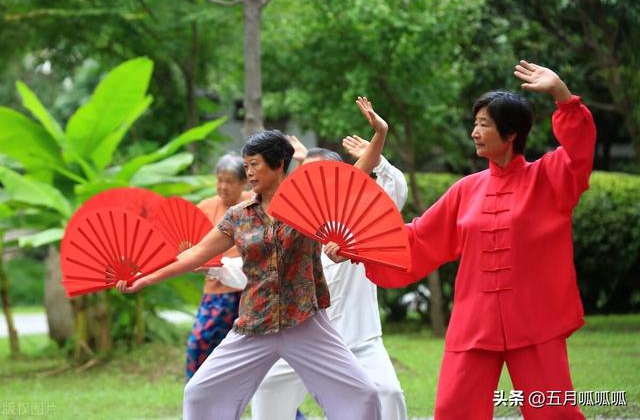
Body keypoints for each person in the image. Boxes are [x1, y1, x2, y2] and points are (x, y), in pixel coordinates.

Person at [343, 61, 596, 419]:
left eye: (484, 124)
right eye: (475, 124)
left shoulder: (550, 178)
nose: (474, 132)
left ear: (510, 134)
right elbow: (418, 239)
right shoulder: (466, 189)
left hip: (536, 320)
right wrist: (358, 245)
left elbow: (580, 150)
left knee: (553, 413)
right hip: (474, 323)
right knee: (454, 411)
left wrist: (562, 95)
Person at [117, 99, 387, 420]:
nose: (248, 172)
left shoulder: (309, 204)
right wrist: (145, 277)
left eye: (254, 164)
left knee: (364, 394)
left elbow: (357, 175)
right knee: (199, 393)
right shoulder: (238, 216)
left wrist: (380, 132)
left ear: (278, 166)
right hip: (255, 325)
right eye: (246, 165)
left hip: (305, 321)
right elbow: (196, 254)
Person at [251, 132, 409, 420]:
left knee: (388, 393)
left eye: (323, 175)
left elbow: (393, 193)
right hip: (307, 341)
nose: (315, 184)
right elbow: (259, 270)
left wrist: (378, 159)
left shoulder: (362, 218)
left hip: (360, 340)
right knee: (267, 387)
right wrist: (218, 266)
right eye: (307, 175)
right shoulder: (291, 223)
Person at [185, 153, 252, 381]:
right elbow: (189, 244)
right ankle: (196, 401)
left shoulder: (255, 201)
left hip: (252, 291)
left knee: (262, 356)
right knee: (199, 345)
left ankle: (291, 414)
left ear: (243, 183)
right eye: (219, 180)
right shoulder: (205, 207)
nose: (223, 187)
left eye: (230, 181)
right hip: (217, 291)